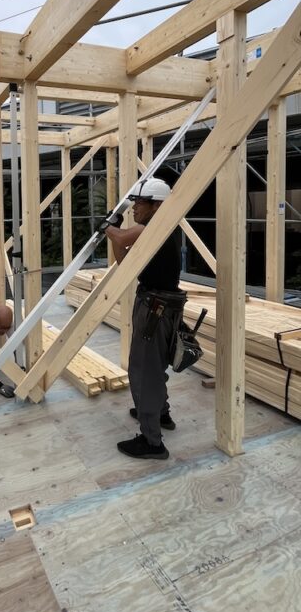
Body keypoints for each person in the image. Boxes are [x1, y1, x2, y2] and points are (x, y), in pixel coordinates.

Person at [105, 177, 185, 460]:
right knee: (154, 364)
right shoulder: (159, 229)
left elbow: (122, 237)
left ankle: (152, 442)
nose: (135, 208)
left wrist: (109, 228)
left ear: (157, 205)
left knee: (143, 371)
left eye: (140, 203)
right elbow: (124, 261)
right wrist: (112, 232)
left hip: (155, 308)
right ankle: (160, 413)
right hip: (158, 304)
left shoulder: (157, 225)